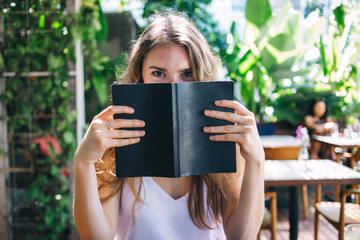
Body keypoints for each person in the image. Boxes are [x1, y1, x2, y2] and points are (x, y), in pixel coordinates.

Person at [73, 12, 264, 240]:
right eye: (158, 73)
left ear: (202, 77)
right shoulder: (116, 145)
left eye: (187, 74)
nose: (173, 86)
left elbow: (241, 237)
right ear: (139, 76)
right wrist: (82, 162)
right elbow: (96, 238)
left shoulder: (225, 141)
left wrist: (257, 161)